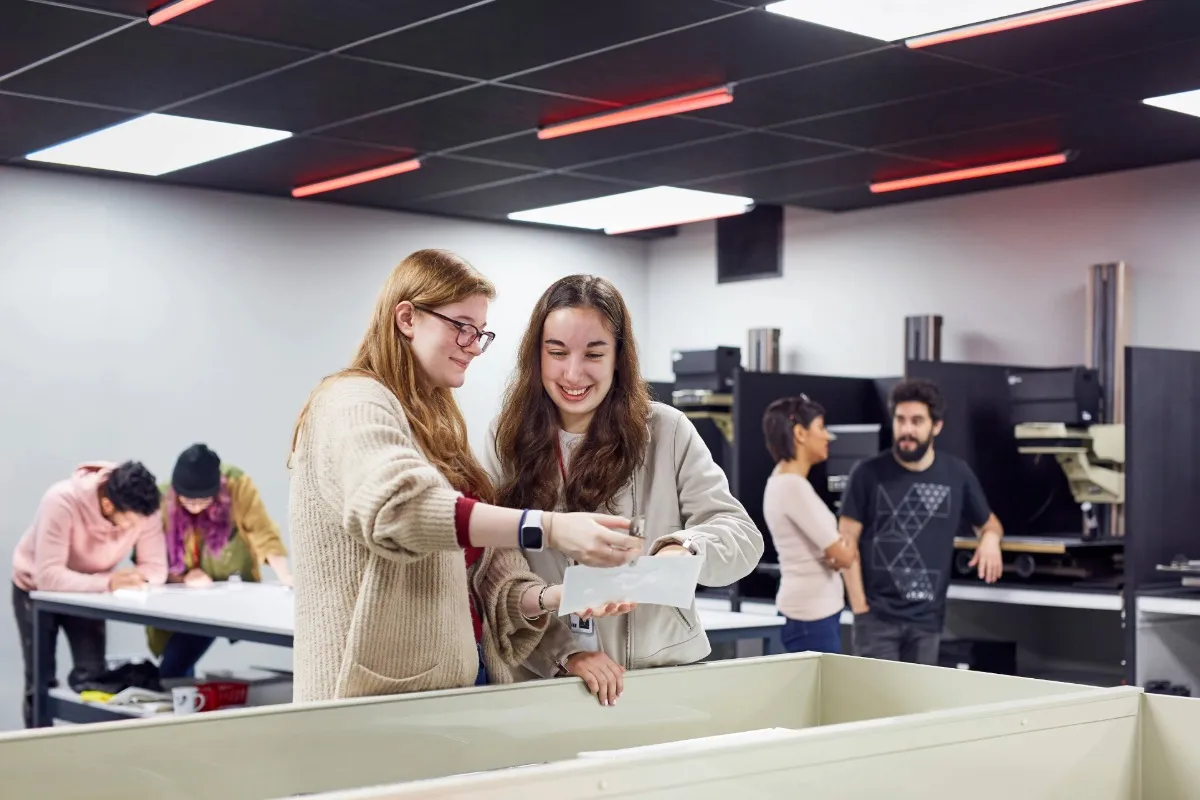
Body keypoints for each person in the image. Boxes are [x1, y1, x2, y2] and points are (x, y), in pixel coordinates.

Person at [287, 249, 645, 702]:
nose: (473, 345)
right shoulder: (351, 401)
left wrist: (561, 595)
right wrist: (550, 528)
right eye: (461, 327)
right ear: (406, 317)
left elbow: (487, 572)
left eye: (480, 333)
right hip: (371, 702)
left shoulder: (436, 423)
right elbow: (404, 508)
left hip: (452, 688)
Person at [483, 274, 764, 706]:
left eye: (594, 353)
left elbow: (741, 536)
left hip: (664, 677)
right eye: (556, 353)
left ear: (619, 358)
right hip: (552, 683)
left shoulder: (665, 430)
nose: (573, 373)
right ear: (536, 356)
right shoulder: (505, 442)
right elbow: (492, 572)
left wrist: (683, 549)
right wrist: (565, 653)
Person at [839, 378, 1004, 665]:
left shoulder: (956, 474)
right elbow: (846, 541)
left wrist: (990, 539)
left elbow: (990, 524)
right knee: (874, 705)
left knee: (917, 708)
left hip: (927, 621)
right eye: (900, 420)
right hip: (876, 620)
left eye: (917, 421)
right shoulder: (867, 473)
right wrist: (860, 607)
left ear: (936, 426)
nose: (906, 430)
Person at [11, 461, 166, 727]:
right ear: (108, 506)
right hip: (35, 591)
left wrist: (137, 579)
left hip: (88, 593)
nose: (136, 527)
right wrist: (109, 582)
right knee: (39, 684)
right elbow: (48, 577)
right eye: (130, 522)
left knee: (93, 679)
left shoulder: (143, 510)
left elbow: (156, 568)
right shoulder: (61, 501)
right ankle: (38, 756)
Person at [146, 443, 292, 679]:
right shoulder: (163, 497)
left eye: (203, 501)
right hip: (179, 594)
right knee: (175, 663)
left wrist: (285, 576)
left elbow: (262, 532)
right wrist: (183, 577)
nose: (194, 508)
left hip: (225, 591)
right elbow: (149, 557)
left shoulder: (237, 486)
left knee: (176, 667)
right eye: (187, 501)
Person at [761, 395, 857, 654]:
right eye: (821, 427)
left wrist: (838, 549)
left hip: (810, 613)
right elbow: (844, 555)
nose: (827, 437)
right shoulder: (792, 487)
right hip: (812, 617)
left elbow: (836, 553)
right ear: (801, 433)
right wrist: (847, 541)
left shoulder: (783, 482)